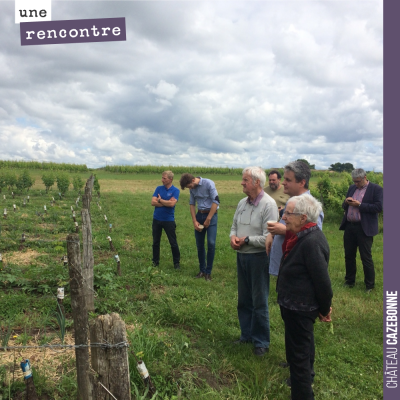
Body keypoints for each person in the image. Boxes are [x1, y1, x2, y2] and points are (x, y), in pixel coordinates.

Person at [277, 194, 333, 400]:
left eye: (288, 214)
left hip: (300, 308)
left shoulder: (311, 242)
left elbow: (323, 282)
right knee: (298, 352)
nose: (284, 218)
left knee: (299, 361)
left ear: (303, 218)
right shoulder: (304, 236)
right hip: (294, 305)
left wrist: (325, 309)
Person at [230, 167, 278, 356]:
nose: (242, 183)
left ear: (257, 182)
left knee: (259, 300)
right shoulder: (242, 203)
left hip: (258, 258)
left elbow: (269, 237)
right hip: (242, 256)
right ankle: (246, 335)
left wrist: (247, 240)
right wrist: (233, 237)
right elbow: (234, 226)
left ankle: (261, 342)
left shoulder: (269, 205)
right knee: (244, 299)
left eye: (245, 180)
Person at [266, 160, 323, 277]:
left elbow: (314, 236)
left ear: (302, 182)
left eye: (288, 180)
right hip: (288, 267)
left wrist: (283, 230)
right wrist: (271, 235)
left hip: (297, 270)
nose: (283, 183)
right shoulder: (292, 202)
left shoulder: (310, 206)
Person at [339, 168, 383, 292]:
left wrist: (359, 205)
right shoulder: (352, 188)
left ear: (364, 177)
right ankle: (349, 281)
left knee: (366, 257)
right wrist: (346, 202)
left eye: (358, 181)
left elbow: (379, 207)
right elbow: (344, 206)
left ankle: (369, 285)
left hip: (364, 228)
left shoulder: (376, 189)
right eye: (354, 181)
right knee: (349, 255)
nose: (356, 184)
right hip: (350, 226)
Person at [179, 173, 220, 281]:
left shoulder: (209, 183)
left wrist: (208, 219)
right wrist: (194, 221)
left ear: (193, 180)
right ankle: (202, 270)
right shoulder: (191, 188)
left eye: (190, 186)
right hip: (199, 215)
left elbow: (216, 201)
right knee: (199, 244)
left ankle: (208, 272)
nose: (190, 189)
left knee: (211, 243)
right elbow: (192, 204)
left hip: (211, 215)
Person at [151, 171, 180, 269]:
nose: (162, 180)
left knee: (173, 242)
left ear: (170, 179)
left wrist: (160, 200)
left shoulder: (175, 190)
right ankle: (155, 262)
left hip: (169, 220)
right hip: (157, 219)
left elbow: (172, 204)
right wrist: (166, 202)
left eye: (164, 178)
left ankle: (176, 263)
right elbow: (152, 202)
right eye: (162, 178)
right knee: (155, 242)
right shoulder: (158, 188)